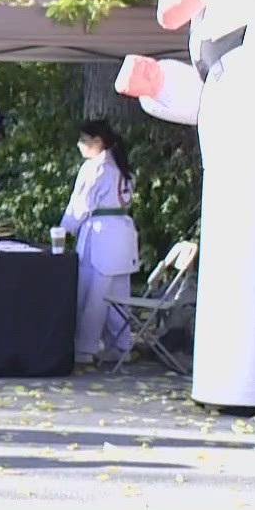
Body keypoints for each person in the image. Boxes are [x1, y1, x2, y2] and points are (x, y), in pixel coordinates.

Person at [61, 119, 140, 366]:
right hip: (123, 234)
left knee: (92, 295)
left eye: (83, 141)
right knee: (118, 294)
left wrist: (64, 230)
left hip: (100, 235)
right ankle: (120, 345)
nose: (79, 145)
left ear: (97, 142)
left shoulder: (95, 167)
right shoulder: (122, 166)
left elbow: (81, 203)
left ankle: (85, 348)